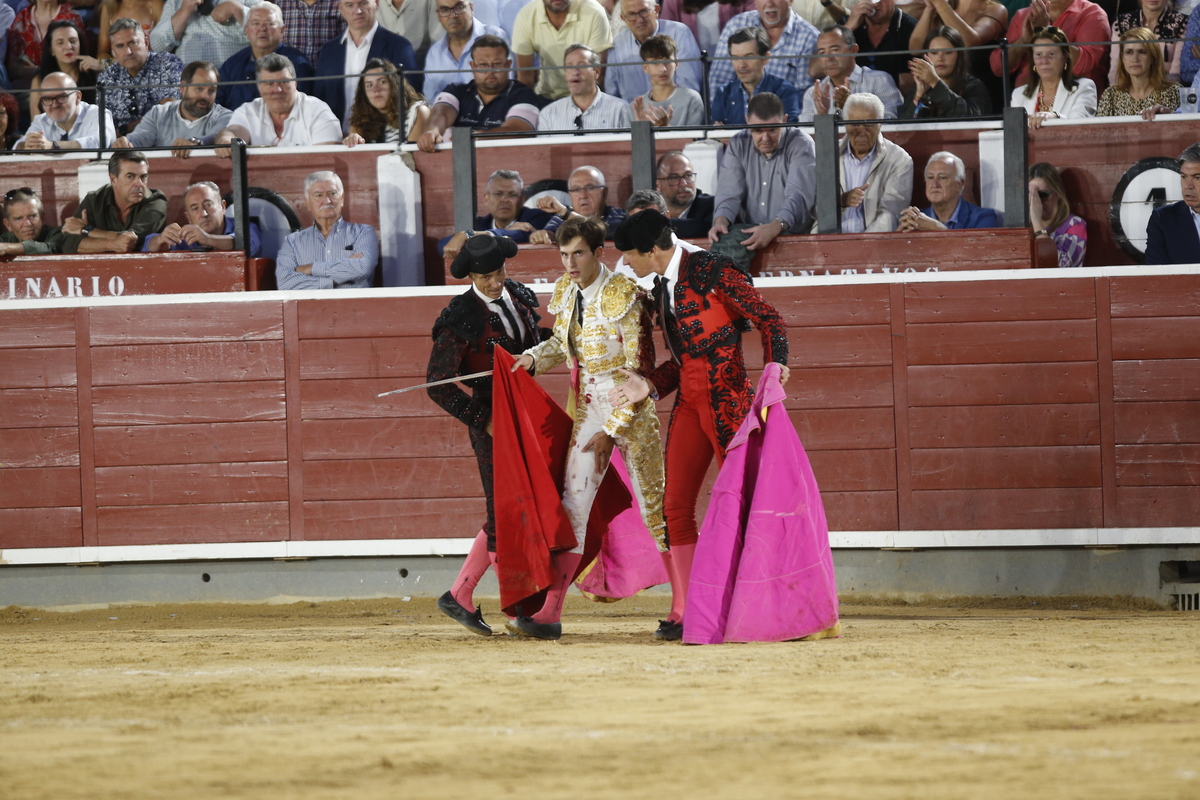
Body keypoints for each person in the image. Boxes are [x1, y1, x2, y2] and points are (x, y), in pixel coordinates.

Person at [609, 208, 791, 640]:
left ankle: (757, 601)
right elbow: (685, 359)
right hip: (691, 402)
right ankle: (691, 608)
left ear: (653, 251)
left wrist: (776, 364)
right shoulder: (660, 286)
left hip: (728, 401)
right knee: (674, 506)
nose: (627, 265)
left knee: (745, 506)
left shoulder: (712, 270)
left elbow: (770, 319)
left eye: (631, 256)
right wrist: (649, 386)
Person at [506, 215, 664, 640]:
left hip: (629, 412)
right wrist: (531, 359)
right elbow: (562, 344)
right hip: (590, 406)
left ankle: (689, 606)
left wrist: (611, 429)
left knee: (658, 512)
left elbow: (640, 370)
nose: (569, 263)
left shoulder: (625, 293)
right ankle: (550, 613)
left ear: (598, 253)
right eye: (563, 254)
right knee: (572, 509)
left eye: (577, 253)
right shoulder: (566, 291)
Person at [430, 233, 547, 637]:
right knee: (505, 512)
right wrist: (484, 420)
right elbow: (437, 384)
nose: (494, 283)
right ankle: (515, 609)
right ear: (472, 276)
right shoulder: (461, 314)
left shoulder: (518, 294)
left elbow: (539, 339)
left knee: (514, 509)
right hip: (492, 420)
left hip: (528, 412)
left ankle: (459, 594)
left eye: (498, 273)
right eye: (485, 277)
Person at [710, 92, 814, 267]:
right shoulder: (738, 143)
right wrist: (721, 221)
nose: (765, 138)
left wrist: (774, 227)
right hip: (749, 231)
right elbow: (729, 193)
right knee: (725, 239)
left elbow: (798, 196)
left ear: (785, 120)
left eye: (772, 130)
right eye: (757, 130)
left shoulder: (801, 143)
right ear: (747, 121)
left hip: (790, 232)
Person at [416, 34, 541, 151]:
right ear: (473, 66)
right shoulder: (456, 90)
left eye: (497, 64)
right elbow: (441, 113)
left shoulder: (523, 94)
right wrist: (431, 131)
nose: (490, 71)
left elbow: (518, 130)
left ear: (508, 65)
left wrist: (472, 137)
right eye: (483, 65)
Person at [314, 0, 420, 131]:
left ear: (376, 3)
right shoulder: (328, 51)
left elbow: (409, 97)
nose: (357, 11)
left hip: (382, 138)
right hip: (337, 139)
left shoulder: (399, 46)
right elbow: (319, 100)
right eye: (349, 5)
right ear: (340, 8)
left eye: (363, 3)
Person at [214, 52, 343, 148]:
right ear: (259, 87)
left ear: (295, 83)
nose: (278, 90)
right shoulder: (248, 111)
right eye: (269, 83)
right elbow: (233, 132)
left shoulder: (318, 111)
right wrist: (226, 139)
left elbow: (327, 161)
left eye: (284, 82)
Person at [275, 171, 378, 290]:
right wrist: (336, 279)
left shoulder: (363, 232)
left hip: (354, 307)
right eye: (319, 195)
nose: (327, 201)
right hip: (310, 308)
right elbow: (285, 284)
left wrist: (311, 268)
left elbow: (363, 267)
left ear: (342, 199)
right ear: (308, 203)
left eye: (332, 194)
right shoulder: (292, 242)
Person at [830, 91, 913, 232]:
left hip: (874, 246)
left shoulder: (900, 160)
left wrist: (866, 246)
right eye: (855, 124)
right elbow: (811, 209)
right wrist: (841, 201)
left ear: (879, 125)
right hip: (827, 244)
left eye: (868, 125)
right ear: (845, 124)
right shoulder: (827, 154)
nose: (861, 131)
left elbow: (890, 215)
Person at [111, 60, 232, 154]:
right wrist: (126, 143)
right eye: (199, 88)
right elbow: (140, 139)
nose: (205, 96)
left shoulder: (225, 116)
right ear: (183, 88)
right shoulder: (159, 113)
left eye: (212, 90)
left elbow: (217, 136)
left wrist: (195, 143)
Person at [60, 150, 168, 254]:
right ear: (113, 179)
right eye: (130, 177)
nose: (139, 184)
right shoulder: (94, 200)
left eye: (143, 177)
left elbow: (133, 240)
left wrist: (87, 230)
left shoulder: (156, 202)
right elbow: (68, 243)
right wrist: (112, 244)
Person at [708, 0, 819, 97]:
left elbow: (802, 96)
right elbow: (718, 82)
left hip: (784, 117)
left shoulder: (809, 38)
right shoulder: (736, 25)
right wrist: (720, 118)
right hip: (736, 117)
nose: (769, 3)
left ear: (790, 0)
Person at [990, 0, 1109, 89]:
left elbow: (1084, 65)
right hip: (1027, 101)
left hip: (1074, 99)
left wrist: (1046, 30)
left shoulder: (1092, 13)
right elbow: (999, 68)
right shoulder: (1024, 15)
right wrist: (1024, 41)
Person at [217, 3, 314, 112]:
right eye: (256, 23)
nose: (262, 28)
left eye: (270, 23)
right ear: (247, 31)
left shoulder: (298, 64)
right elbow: (217, 107)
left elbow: (304, 109)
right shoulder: (232, 65)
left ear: (282, 31)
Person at [908, 0, 1007, 105]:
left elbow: (970, 41)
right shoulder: (940, 7)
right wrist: (929, 9)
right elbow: (916, 49)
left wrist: (940, 4)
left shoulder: (995, 9)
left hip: (977, 92)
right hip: (937, 87)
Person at [96, 17, 184, 134]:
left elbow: (169, 109)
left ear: (146, 42)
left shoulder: (167, 63)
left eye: (133, 43)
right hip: (121, 146)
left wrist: (125, 129)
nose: (128, 52)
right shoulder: (107, 77)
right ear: (113, 51)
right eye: (120, 46)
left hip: (163, 139)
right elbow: (103, 124)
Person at [512, 0, 613, 101]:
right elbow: (525, 76)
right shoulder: (526, 15)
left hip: (585, 97)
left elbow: (597, 75)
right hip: (546, 96)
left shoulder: (594, 12)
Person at [441, 168, 554, 257]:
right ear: (486, 199)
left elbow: (520, 234)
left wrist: (470, 236)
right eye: (499, 194)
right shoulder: (479, 224)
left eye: (513, 194)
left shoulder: (536, 217)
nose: (505, 199)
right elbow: (443, 245)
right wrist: (505, 232)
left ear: (522, 200)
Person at [800, 24, 902, 121]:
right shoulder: (813, 94)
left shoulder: (879, 81)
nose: (828, 58)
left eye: (835, 50)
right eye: (822, 52)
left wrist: (851, 106)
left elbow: (890, 123)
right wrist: (822, 115)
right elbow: (806, 134)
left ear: (853, 50)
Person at [606, 0, 702, 102]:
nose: (639, 19)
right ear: (623, 18)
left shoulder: (680, 33)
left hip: (676, 112)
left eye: (644, 11)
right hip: (633, 115)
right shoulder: (617, 45)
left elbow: (689, 88)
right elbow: (612, 94)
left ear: (656, 10)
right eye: (631, 14)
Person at [710, 25, 802, 125]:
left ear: (765, 58)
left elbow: (789, 133)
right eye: (735, 58)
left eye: (749, 57)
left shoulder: (784, 91)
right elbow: (716, 134)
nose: (741, 65)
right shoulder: (724, 93)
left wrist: (734, 138)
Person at [143, 180, 262, 255]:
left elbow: (247, 244)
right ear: (188, 217)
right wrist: (161, 240)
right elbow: (146, 247)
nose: (203, 214)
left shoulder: (245, 227)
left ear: (223, 206)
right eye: (195, 208)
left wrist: (207, 239)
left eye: (208, 205)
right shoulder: (184, 237)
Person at [1010, 25, 1097, 128]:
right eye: (1038, 55)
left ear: (1065, 57)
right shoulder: (1019, 95)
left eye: (1051, 54)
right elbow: (1014, 133)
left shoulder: (1084, 87)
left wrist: (1055, 116)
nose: (1044, 61)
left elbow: (1080, 124)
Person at [422, 0, 507, 101]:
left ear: (471, 8)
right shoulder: (435, 53)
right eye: (445, 10)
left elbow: (507, 90)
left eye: (459, 7)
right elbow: (431, 100)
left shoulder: (497, 37)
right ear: (438, 15)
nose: (453, 15)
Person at [535, 42, 631, 131]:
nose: (575, 72)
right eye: (569, 66)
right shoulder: (549, 114)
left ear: (596, 72)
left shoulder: (620, 109)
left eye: (581, 65)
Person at [900, 25, 991, 117]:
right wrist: (919, 95)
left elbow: (971, 117)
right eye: (934, 53)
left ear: (959, 55)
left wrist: (935, 82)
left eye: (948, 52)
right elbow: (904, 127)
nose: (940, 59)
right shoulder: (921, 88)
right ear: (926, 56)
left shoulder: (973, 86)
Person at [897, 150, 999, 231]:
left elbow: (976, 253)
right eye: (930, 177)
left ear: (959, 184)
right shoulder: (915, 219)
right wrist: (898, 237)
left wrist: (937, 228)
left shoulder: (983, 218)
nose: (935, 184)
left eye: (942, 178)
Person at [14, 71, 116, 149]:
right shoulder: (41, 121)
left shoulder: (97, 114)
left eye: (61, 97)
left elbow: (100, 141)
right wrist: (26, 145)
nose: (54, 104)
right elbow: (17, 147)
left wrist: (53, 146)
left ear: (78, 97)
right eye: (48, 99)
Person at [1097, 26, 1179, 117]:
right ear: (1122, 58)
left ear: (1153, 57)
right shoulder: (1110, 96)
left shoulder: (1173, 92)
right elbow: (1099, 130)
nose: (1135, 58)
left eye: (1142, 52)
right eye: (1129, 52)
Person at [343, 57, 428, 144]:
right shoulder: (360, 122)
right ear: (363, 94)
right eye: (369, 85)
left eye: (382, 82)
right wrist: (354, 140)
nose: (376, 89)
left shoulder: (418, 112)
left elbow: (411, 155)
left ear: (395, 84)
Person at [533, 164, 628, 242]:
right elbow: (551, 232)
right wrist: (544, 235)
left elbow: (601, 233)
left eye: (590, 188)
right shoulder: (561, 217)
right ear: (570, 195)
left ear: (604, 193)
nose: (583, 195)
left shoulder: (619, 216)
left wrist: (566, 212)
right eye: (576, 189)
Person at [151, 0, 259, 66]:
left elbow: (270, 33)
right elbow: (157, 45)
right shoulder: (176, 2)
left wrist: (237, 9)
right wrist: (184, 10)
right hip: (190, 88)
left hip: (232, 84)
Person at [6, 0, 85, 89]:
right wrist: (37, 72)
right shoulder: (22, 18)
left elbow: (80, 59)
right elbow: (12, 67)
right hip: (27, 86)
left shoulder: (72, 17)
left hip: (64, 85)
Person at [631, 33, 705, 127]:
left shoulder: (691, 99)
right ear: (645, 67)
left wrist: (666, 128)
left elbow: (696, 140)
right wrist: (642, 129)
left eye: (667, 62)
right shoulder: (635, 107)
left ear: (676, 64)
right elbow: (627, 141)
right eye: (656, 63)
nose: (663, 69)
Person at [29, 20, 98, 121]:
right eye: (60, 43)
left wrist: (102, 65)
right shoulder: (39, 81)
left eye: (73, 41)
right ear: (51, 50)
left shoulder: (94, 74)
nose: (68, 47)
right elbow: (35, 122)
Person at [1144, 143, 1200, 265]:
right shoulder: (1163, 219)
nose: (1188, 186)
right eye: (1184, 177)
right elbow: (1156, 274)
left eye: (1197, 178)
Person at [1109, 0, 1187, 86]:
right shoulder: (1121, 24)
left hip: (1165, 91)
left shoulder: (1183, 24)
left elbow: (1175, 74)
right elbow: (1115, 70)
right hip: (1128, 90)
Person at [844, 0, 917, 88]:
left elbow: (908, 84)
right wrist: (849, 27)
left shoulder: (911, 29)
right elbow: (827, 59)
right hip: (853, 94)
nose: (875, 3)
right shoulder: (849, 24)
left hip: (894, 98)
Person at [1028, 160, 1085, 267]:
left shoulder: (1075, 224)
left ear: (1058, 193)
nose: (1036, 201)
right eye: (1030, 195)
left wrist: (1036, 221)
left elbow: (1058, 264)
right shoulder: (1022, 225)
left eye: (1042, 195)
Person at [660, 0, 754, 56]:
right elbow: (666, 36)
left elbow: (755, 25)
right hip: (689, 67)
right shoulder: (673, 2)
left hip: (733, 63)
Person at [656, 150, 714, 239]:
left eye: (688, 175)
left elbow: (705, 227)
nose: (683, 183)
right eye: (674, 177)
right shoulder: (651, 207)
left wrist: (655, 224)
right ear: (658, 184)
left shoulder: (713, 205)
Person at [276, 0, 345, 64]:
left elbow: (345, 42)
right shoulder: (281, 4)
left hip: (327, 69)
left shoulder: (338, 4)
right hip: (290, 70)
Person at [0, 187, 65, 255]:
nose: (27, 224)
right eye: (18, 218)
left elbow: (50, 248)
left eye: (32, 216)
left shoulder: (57, 233)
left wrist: (7, 248)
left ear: (42, 218)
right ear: (8, 224)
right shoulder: (5, 239)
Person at [97, 0, 164, 62]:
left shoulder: (154, 4)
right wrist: (109, 63)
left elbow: (167, 44)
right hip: (119, 71)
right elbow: (102, 52)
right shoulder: (109, 7)